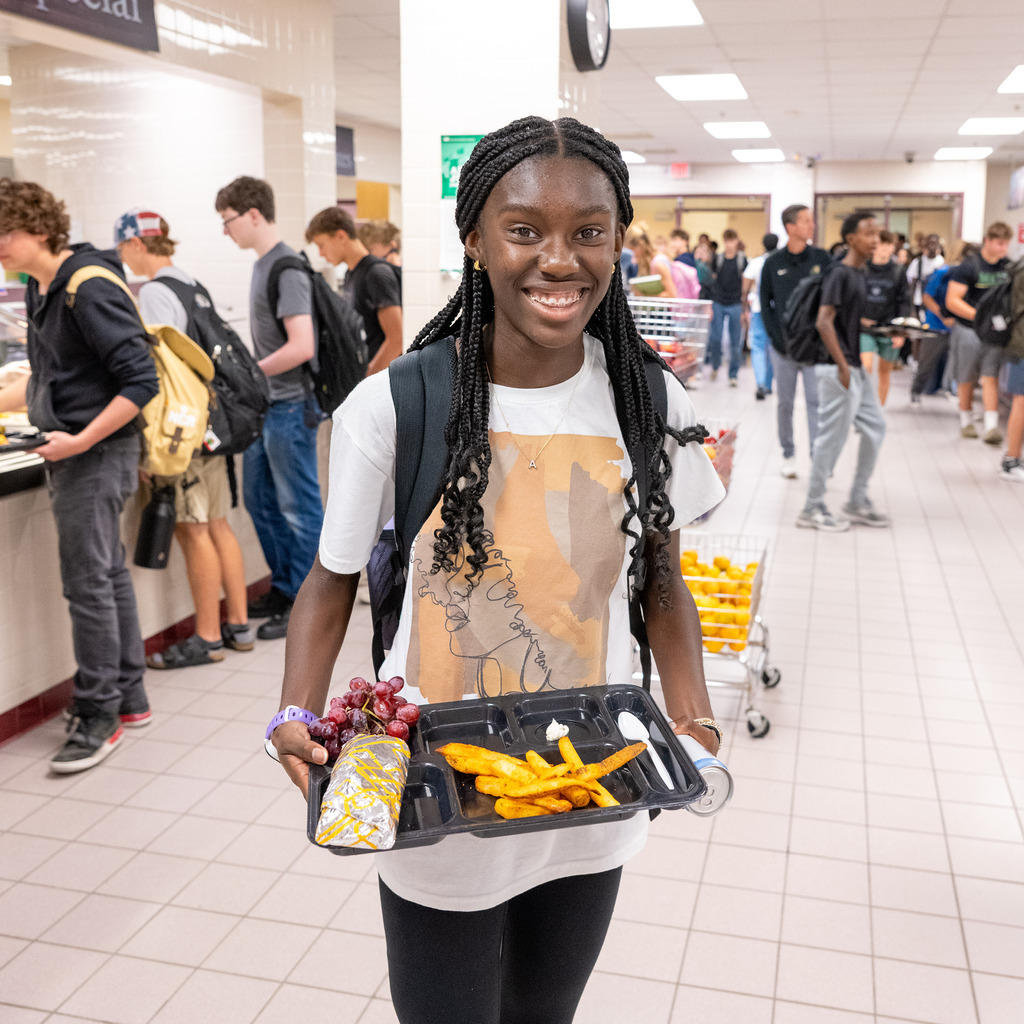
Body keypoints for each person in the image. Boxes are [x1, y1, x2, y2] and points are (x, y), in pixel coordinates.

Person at [267, 115, 724, 1024]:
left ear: (618, 241)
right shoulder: (395, 403)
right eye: (525, 230)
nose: (560, 260)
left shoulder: (647, 396)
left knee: (545, 1013)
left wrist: (696, 715)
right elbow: (331, 580)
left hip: (598, 777)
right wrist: (291, 713)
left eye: (588, 232)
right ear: (475, 240)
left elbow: (661, 579)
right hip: (437, 791)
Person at [0, 179, 158, 772]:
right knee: (106, 574)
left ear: (39, 229)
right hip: (77, 452)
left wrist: (81, 439)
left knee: (86, 584)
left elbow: (142, 382)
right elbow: (53, 375)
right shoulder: (43, 286)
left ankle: (99, 714)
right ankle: (129, 694)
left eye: (5, 232)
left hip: (93, 455)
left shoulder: (85, 287)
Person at [114, 209, 256, 667]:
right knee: (218, 525)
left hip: (181, 430)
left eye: (123, 249)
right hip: (210, 425)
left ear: (137, 243)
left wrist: (154, 446)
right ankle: (238, 625)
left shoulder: (155, 292)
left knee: (193, 531)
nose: (125, 259)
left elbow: (161, 372)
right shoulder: (191, 285)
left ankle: (207, 638)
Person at [215, 176, 323, 640]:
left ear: (254, 214)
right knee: (260, 502)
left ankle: (309, 601)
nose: (226, 231)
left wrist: (249, 374)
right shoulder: (263, 265)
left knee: (299, 507)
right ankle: (284, 587)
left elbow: (301, 346)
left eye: (229, 221)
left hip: (290, 407)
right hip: (268, 408)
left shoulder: (286, 268)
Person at [797, 212, 888, 533]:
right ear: (851, 239)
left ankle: (857, 499)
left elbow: (845, 318)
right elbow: (824, 321)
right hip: (836, 368)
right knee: (831, 440)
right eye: (869, 234)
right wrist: (842, 365)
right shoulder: (840, 274)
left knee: (877, 427)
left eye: (878, 234)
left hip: (852, 366)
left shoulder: (860, 273)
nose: (876, 239)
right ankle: (812, 507)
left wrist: (878, 329)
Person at [760, 204, 830, 478]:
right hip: (783, 348)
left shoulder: (822, 259)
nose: (812, 226)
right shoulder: (773, 263)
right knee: (785, 403)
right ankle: (788, 454)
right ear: (790, 227)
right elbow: (765, 304)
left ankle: (817, 456)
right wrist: (777, 340)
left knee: (815, 402)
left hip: (814, 347)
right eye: (807, 221)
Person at [305, 206, 403, 376]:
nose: (321, 254)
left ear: (341, 236)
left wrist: (365, 382)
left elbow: (397, 338)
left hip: (381, 382)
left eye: (322, 245)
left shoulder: (376, 273)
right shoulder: (351, 273)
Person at [946, 222, 1013, 444]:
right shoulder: (969, 266)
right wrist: (979, 317)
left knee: (990, 376)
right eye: (999, 243)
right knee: (967, 377)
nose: (1003, 248)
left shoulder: (1007, 267)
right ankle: (966, 419)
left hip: (994, 333)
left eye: (1006, 244)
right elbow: (952, 300)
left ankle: (991, 426)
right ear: (988, 241)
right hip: (968, 329)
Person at [859, 229, 912, 406]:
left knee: (884, 371)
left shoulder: (897, 271)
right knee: (866, 366)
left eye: (888, 245)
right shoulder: (863, 268)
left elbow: (904, 301)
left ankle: (879, 409)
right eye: (881, 244)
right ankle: (862, 405)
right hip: (865, 326)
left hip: (889, 327)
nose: (884, 249)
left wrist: (901, 330)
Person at [705, 228, 747, 385]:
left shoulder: (742, 260)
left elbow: (746, 281)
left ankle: (733, 374)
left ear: (737, 241)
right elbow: (712, 279)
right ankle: (715, 366)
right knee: (715, 338)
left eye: (732, 240)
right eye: (727, 241)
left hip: (736, 302)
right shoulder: (718, 258)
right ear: (724, 241)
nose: (729, 244)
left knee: (735, 341)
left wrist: (744, 307)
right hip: (718, 301)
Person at [742, 232, 779, 399]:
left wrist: (744, 307)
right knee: (772, 346)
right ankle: (769, 384)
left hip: (758, 309)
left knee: (758, 347)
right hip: (777, 311)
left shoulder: (757, 263)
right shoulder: (780, 262)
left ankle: (761, 383)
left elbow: (745, 288)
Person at [906, 233, 945, 321]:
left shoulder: (940, 261)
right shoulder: (918, 262)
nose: (932, 248)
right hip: (919, 298)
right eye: (930, 245)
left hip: (934, 299)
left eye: (934, 245)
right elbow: (910, 279)